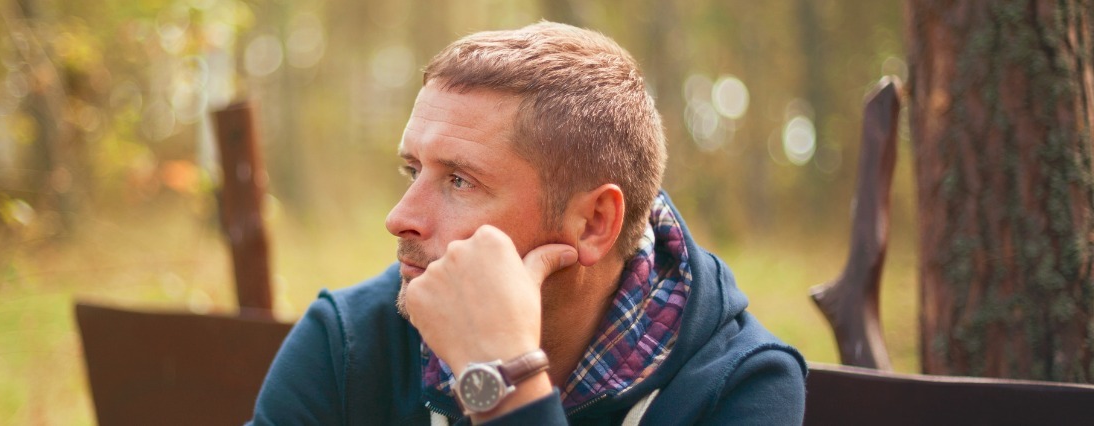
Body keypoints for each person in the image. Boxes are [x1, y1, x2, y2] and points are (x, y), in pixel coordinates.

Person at [250, 22, 806, 425]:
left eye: (460, 181)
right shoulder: (347, 342)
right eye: (411, 169)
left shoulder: (742, 387)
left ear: (593, 223)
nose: (400, 219)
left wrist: (503, 383)